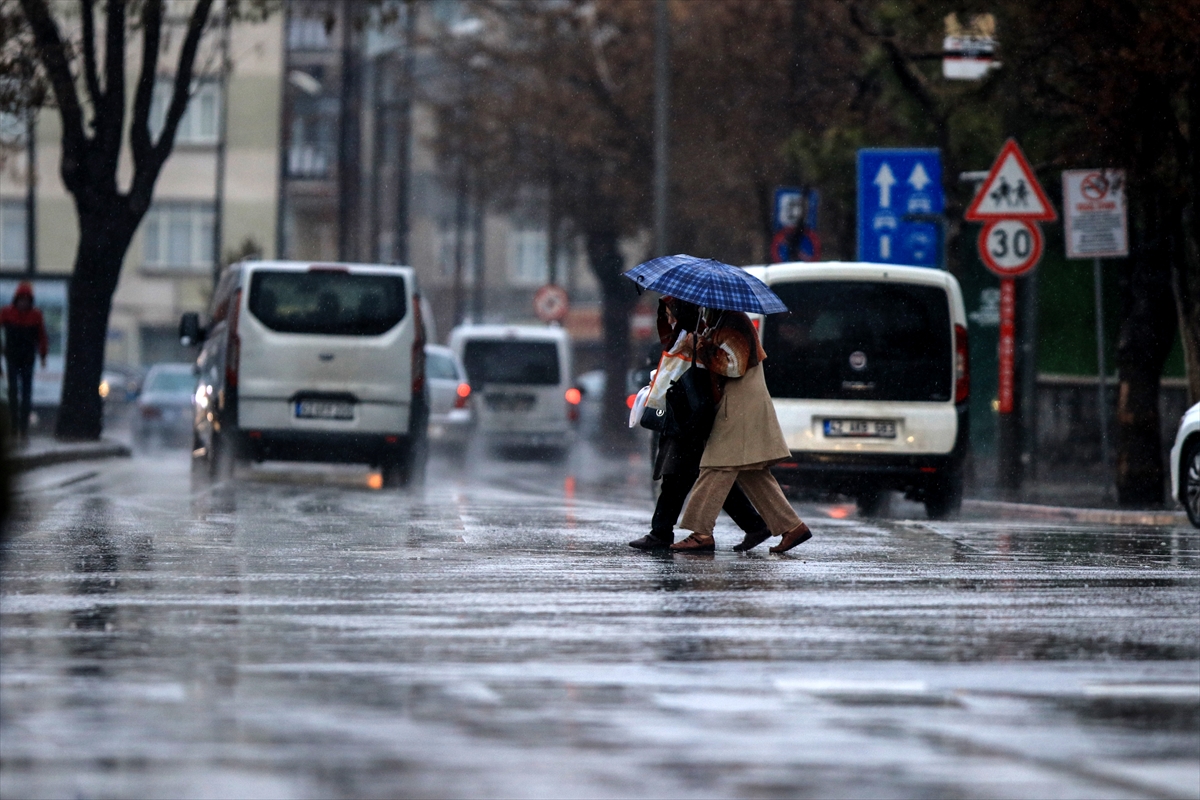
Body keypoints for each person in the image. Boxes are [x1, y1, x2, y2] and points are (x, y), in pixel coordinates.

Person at [629, 297, 772, 551]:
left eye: (671, 309)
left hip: (688, 413)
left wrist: (698, 345)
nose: (668, 315)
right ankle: (753, 525)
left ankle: (662, 532)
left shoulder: (699, 330)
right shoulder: (686, 330)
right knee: (704, 477)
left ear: (682, 309)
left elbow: (718, 366)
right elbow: (664, 346)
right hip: (682, 412)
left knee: (678, 477)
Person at [671, 308, 812, 554]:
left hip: (740, 404)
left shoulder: (735, 323)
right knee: (751, 470)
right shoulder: (720, 322)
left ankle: (700, 533)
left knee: (716, 465)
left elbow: (734, 366)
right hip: (737, 402)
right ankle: (792, 527)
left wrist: (699, 346)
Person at [0, 282, 49, 442]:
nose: (24, 303)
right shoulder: (7, 313)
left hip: (28, 359)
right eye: (21, 299)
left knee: (26, 394)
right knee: (14, 392)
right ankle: (15, 427)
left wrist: (42, 355)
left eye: (26, 300)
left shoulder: (35, 316)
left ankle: (23, 428)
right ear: (17, 300)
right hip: (12, 358)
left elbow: (41, 337)